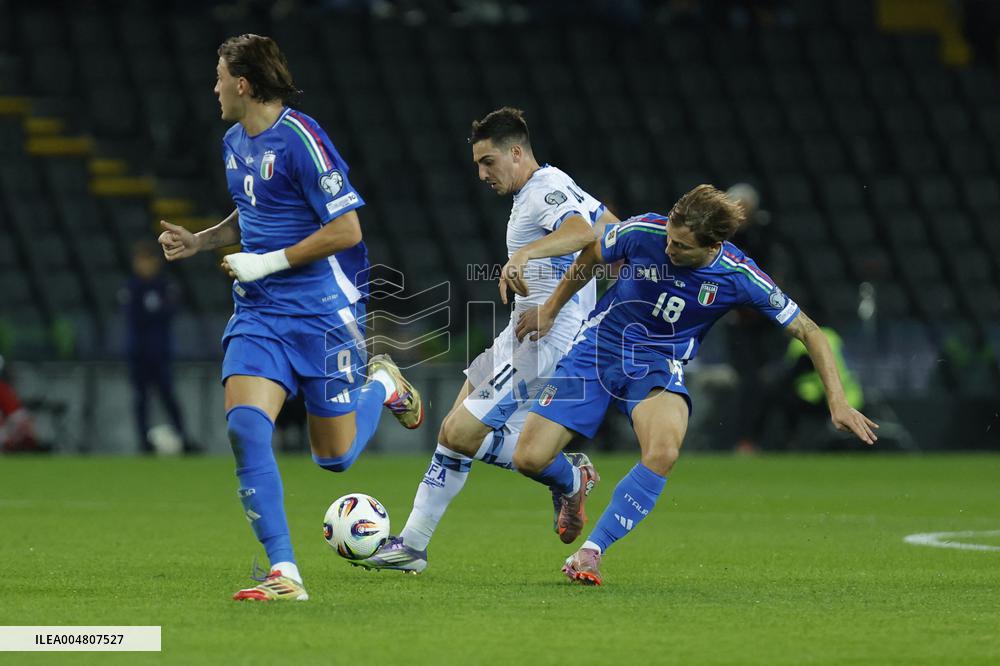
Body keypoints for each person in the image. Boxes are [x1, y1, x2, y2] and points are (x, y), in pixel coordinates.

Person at [157, 34, 422, 602]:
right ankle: (285, 573)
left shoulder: (304, 139)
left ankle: (384, 383)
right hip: (260, 314)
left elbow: (347, 230)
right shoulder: (233, 141)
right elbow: (254, 210)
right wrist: (201, 241)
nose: (215, 87)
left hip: (325, 315)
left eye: (220, 76)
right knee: (245, 428)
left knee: (336, 459)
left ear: (244, 84)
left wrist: (266, 262)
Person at [514, 184, 879, 585]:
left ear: (713, 245)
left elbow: (810, 331)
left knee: (664, 450)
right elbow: (592, 255)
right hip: (595, 350)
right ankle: (574, 481)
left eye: (682, 247)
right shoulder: (646, 232)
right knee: (528, 458)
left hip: (655, 365)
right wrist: (550, 310)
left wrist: (838, 402)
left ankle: (591, 552)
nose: (670, 249)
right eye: (670, 239)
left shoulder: (738, 275)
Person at [356, 107, 619, 572]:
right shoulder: (553, 186)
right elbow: (608, 228)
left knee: (461, 433)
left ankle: (566, 473)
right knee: (453, 432)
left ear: (516, 152)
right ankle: (413, 547)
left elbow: (582, 232)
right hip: (517, 335)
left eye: (488, 162)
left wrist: (530, 262)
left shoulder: (545, 190)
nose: (481, 174)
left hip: (543, 341)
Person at [123, 240, 195, 454]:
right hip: (138, 352)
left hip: (161, 352)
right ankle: (143, 441)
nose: (143, 265)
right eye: (139, 261)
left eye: (147, 260)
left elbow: (168, 312)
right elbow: (136, 315)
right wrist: (154, 313)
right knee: (141, 398)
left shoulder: (165, 285)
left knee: (168, 396)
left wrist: (153, 313)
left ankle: (183, 437)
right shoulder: (132, 286)